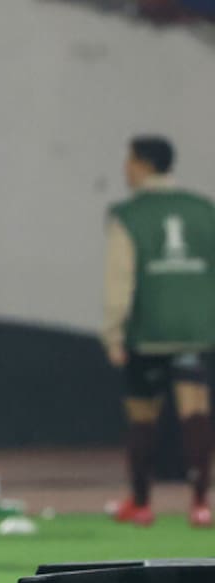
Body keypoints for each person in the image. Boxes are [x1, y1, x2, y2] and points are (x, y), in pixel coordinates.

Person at [103, 136, 215, 527]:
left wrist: (113, 332)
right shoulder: (204, 210)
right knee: (195, 411)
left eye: (129, 161)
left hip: (148, 330)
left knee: (142, 415)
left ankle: (141, 502)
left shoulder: (128, 215)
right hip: (196, 330)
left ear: (143, 165)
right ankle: (201, 503)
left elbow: (120, 279)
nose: (125, 169)